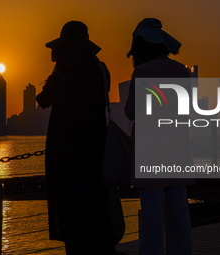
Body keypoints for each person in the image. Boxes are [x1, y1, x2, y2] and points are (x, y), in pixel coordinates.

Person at [36, 21, 120, 255]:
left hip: (67, 150)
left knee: (71, 206)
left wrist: (57, 76)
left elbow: (43, 100)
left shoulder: (66, 72)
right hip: (96, 146)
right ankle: (102, 246)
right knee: (95, 200)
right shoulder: (100, 69)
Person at [125, 18, 195, 255]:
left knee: (153, 215)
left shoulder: (142, 71)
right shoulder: (182, 71)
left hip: (150, 151)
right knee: (179, 213)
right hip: (177, 148)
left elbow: (131, 112)